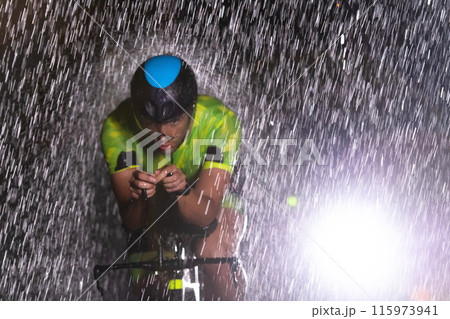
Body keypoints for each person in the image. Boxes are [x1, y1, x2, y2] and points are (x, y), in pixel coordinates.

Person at [101, 54, 246, 300]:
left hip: (211, 198)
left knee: (212, 252)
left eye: (175, 120)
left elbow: (206, 216)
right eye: (150, 121)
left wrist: (182, 190)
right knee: (149, 281)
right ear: (137, 113)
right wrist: (142, 198)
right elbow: (133, 223)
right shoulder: (116, 127)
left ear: (191, 110)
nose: (163, 134)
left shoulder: (219, 121)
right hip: (157, 204)